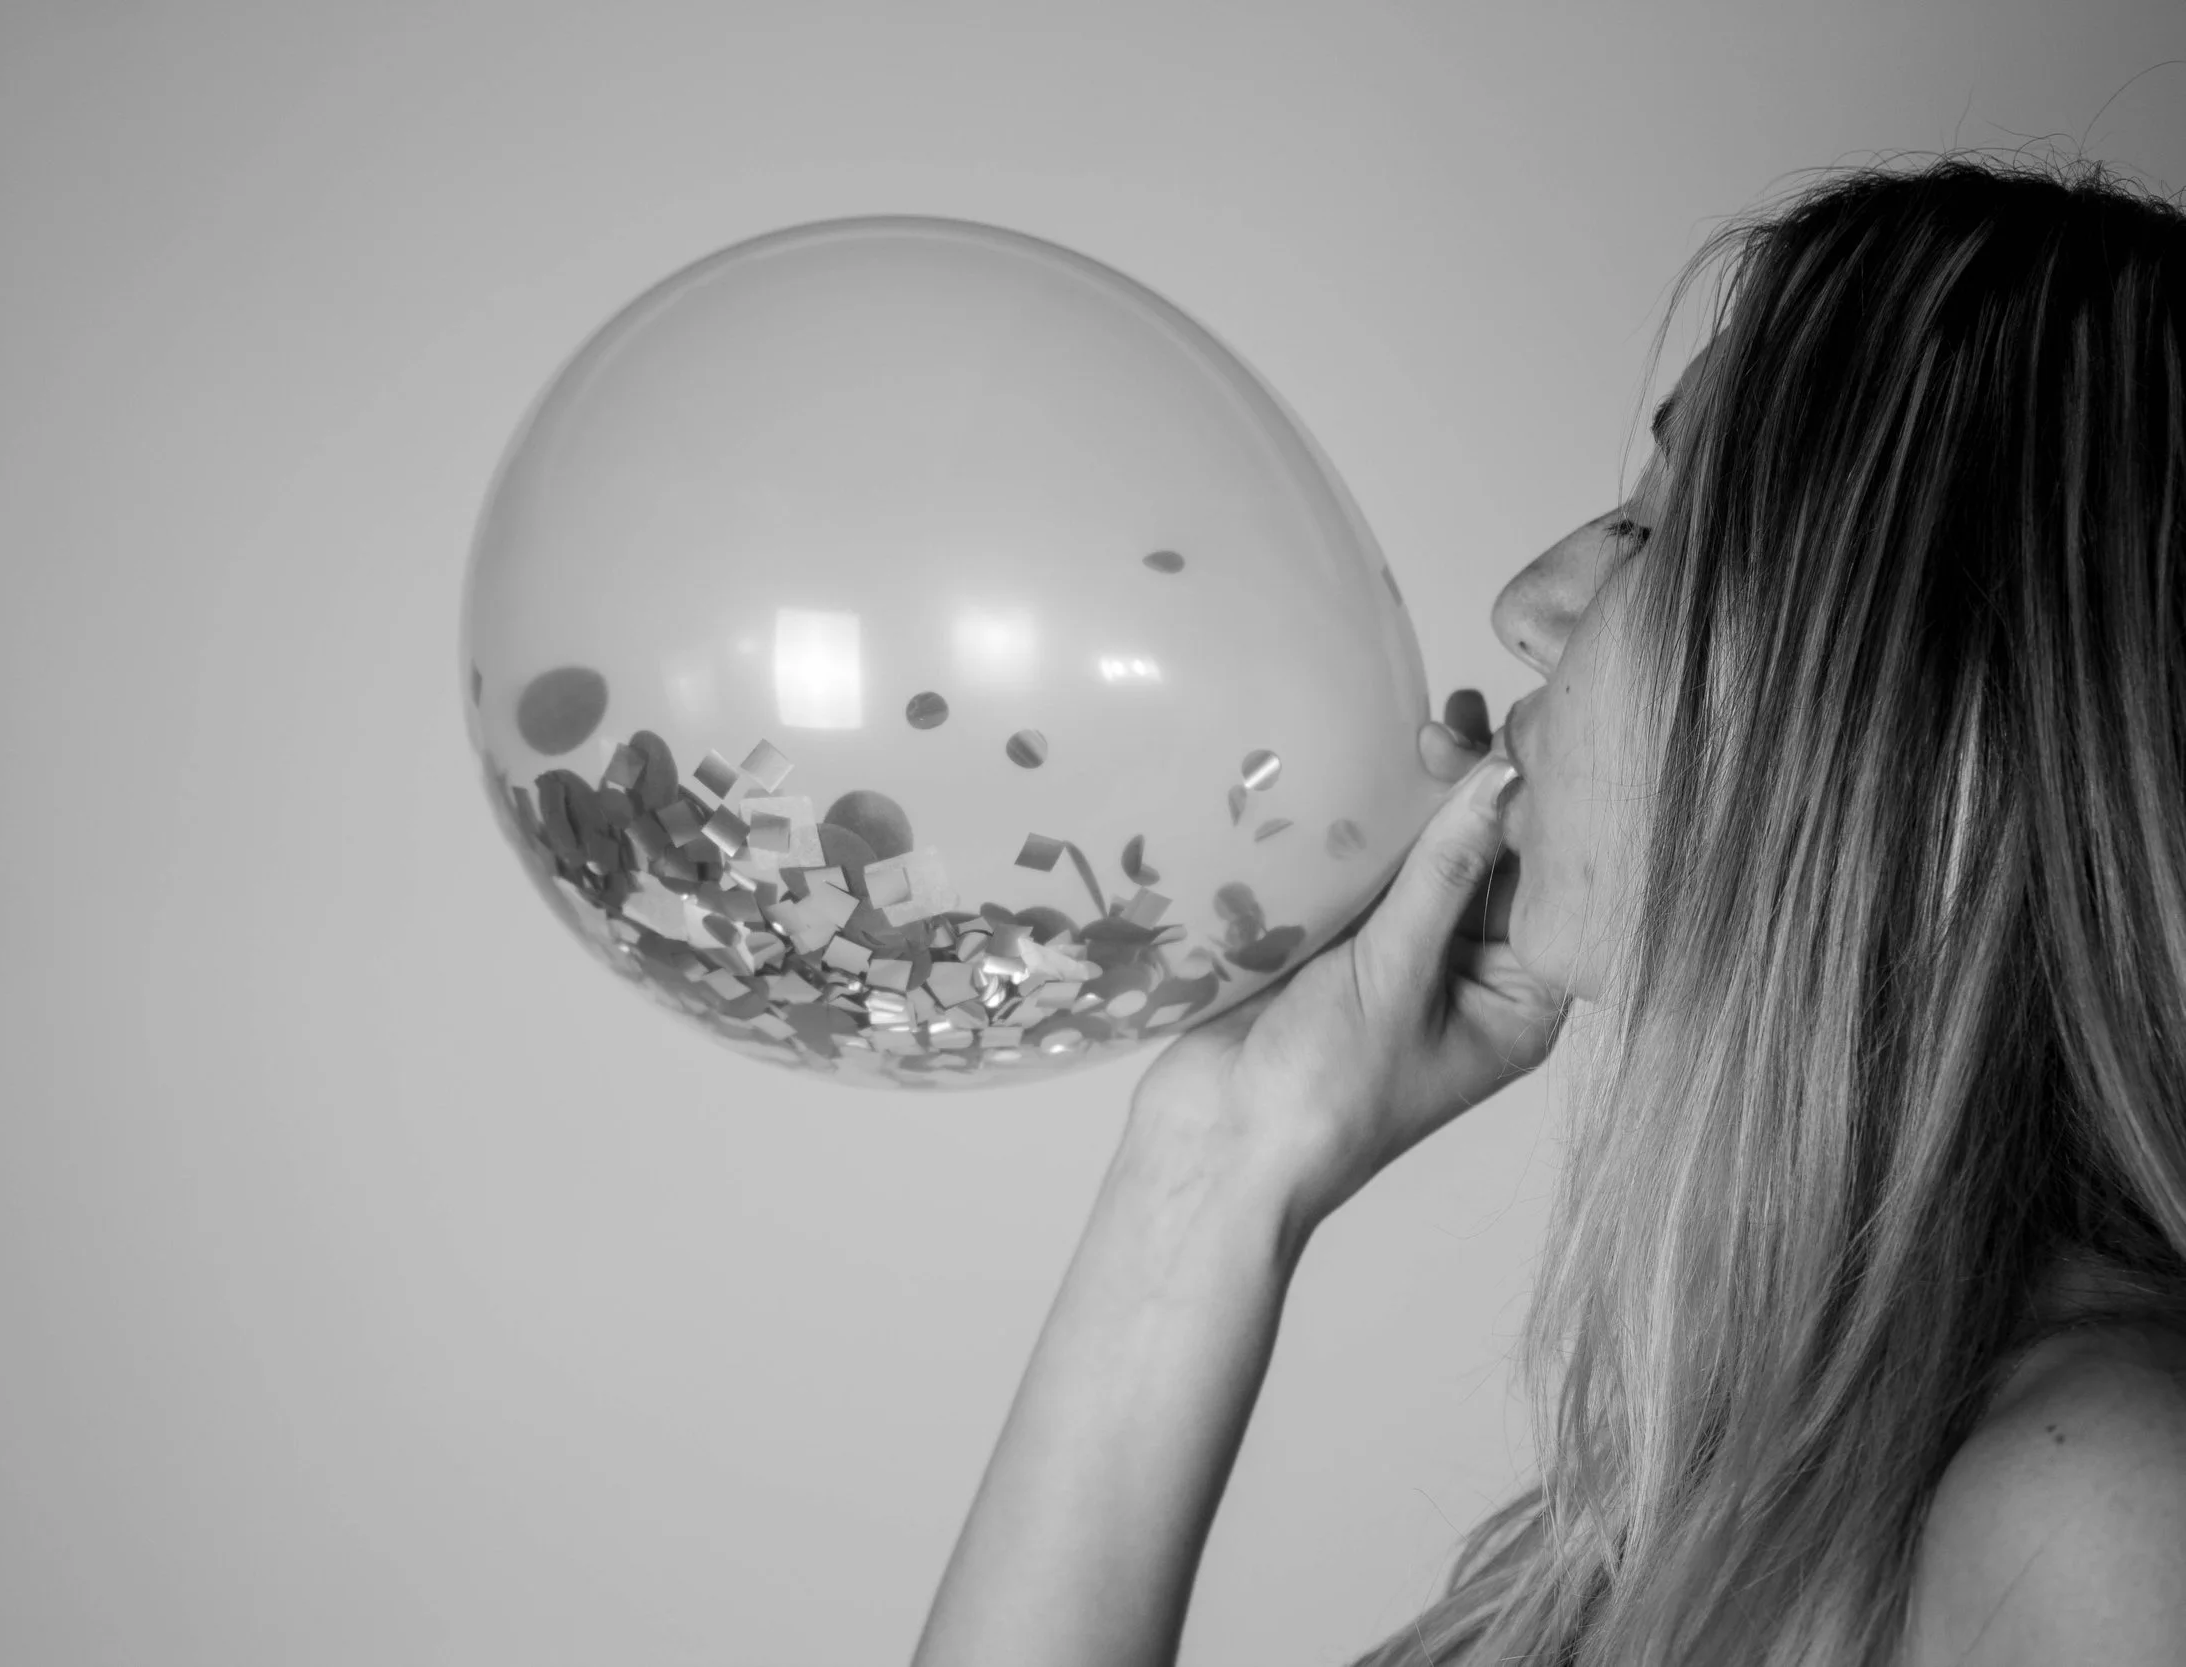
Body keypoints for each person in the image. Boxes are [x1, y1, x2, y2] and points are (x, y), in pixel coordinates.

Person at [910, 152, 2186, 1667]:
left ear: (1895, 701)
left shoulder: (2115, 1507)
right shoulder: (1739, 1476)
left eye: (1653, 529)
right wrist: (1224, 1152)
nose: (1528, 602)